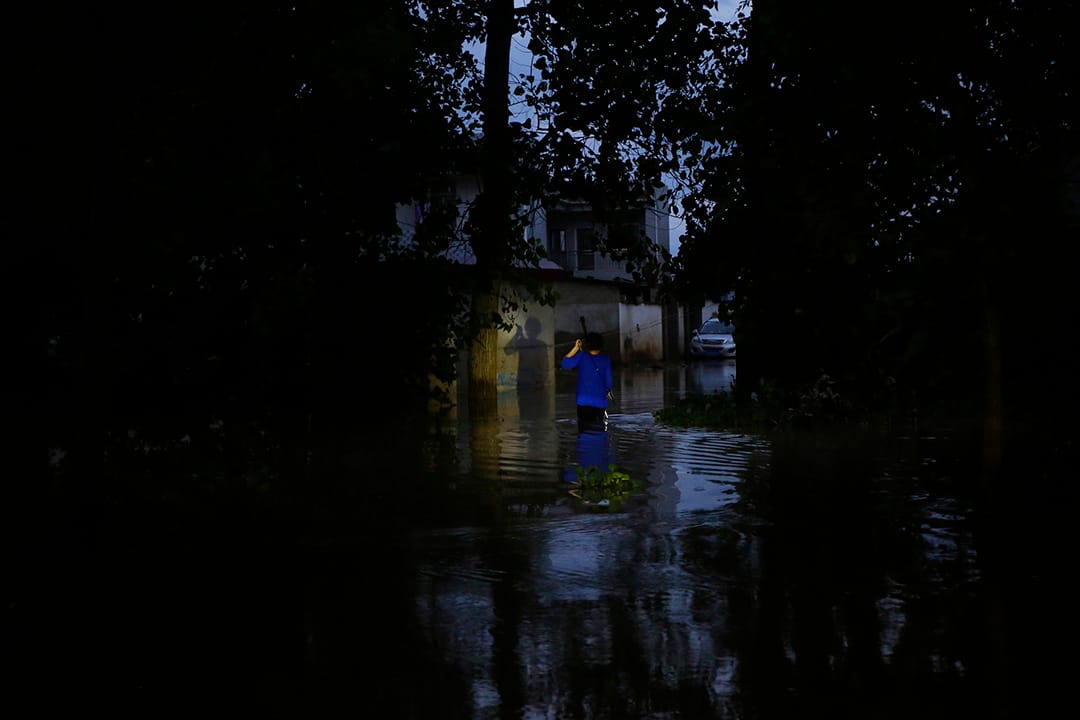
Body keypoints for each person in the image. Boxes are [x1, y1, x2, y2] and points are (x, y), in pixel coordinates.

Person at [561, 331, 614, 428]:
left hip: (583, 402)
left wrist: (575, 348)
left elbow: (564, 364)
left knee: (584, 428)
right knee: (599, 429)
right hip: (600, 402)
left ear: (587, 345)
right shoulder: (606, 359)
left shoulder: (582, 357)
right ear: (601, 345)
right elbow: (609, 382)